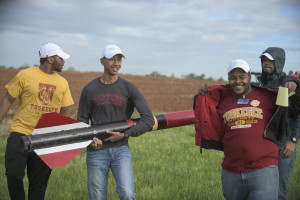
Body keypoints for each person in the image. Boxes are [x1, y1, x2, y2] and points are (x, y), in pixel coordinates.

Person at [194, 59, 288, 200]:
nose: (238, 81)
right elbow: (203, 109)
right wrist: (202, 93)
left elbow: (290, 104)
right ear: (228, 80)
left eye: (242, 77)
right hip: (231, 171)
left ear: (249, 78)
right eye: (233, 78)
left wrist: (291, 84)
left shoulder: (267, 95)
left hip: (263, 169)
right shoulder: (223, 98)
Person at [77, 44, 154, 200]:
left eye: (119, 59)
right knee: (97, 197)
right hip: (96, 151)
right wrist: (90, 140)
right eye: (112, 59)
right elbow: (82, 121)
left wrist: (125, 135)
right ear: (102, 61)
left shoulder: (129, 88)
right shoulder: (89, 89)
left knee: (127, 194)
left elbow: (148, 119)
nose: (116, 63)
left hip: (121, 150)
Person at [0, 43, 74, 200]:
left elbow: (66, 111)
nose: (63, 61)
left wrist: (60, 138)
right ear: (50, 59)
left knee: (38, 186)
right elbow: (7, 99)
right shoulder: (25, 75)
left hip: (45, 138)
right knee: (13, 175)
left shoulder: (63, 83)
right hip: (20, 133)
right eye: (61, 58)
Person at [257, 47, 300, 200]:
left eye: (270, 60)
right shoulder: (260, 84)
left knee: (280, 190)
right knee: (263, 189)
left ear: (279, 62)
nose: (266, 63)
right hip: (263, 145)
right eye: (264, 60)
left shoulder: (287, 84)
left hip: (283, 147)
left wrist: (292, 140)